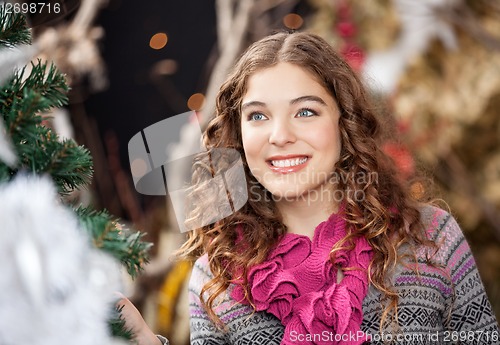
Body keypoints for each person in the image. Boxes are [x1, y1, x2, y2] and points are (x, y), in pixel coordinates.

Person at [119, 31, 500, 345]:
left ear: (343, 121)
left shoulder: (432, 238)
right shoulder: (215, 279)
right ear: (238, 133)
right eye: (258, 116)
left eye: (305, 111)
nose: (280, 135)